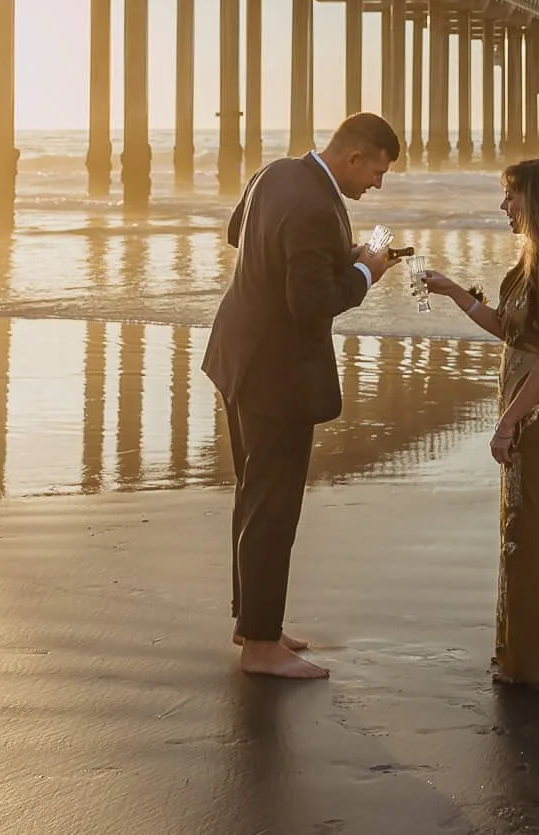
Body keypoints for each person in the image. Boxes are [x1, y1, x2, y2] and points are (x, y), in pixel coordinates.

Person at [202, 112, 404, 679]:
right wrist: (365, 270)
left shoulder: (276, 172)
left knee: (254, 492)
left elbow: (238, 234)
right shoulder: (318, 206)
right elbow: (310, 304)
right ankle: (262, 647)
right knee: (274, 503)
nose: (378, 184)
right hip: (276, 373)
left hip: (238, 354)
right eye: (378, 171)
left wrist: (334, 256)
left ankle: (253, 622)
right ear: (354, 156)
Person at [416, 157, 539, 688]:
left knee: (532, 527)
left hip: (538, 412)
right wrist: (452, 291)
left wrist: (507, 424)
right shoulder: (528, 263)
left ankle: (538, 663)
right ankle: (522, 654)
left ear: (536, 200)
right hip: (522, 408)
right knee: (520, 527)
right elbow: (509, 332)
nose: (504, 206)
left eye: (511, 196)